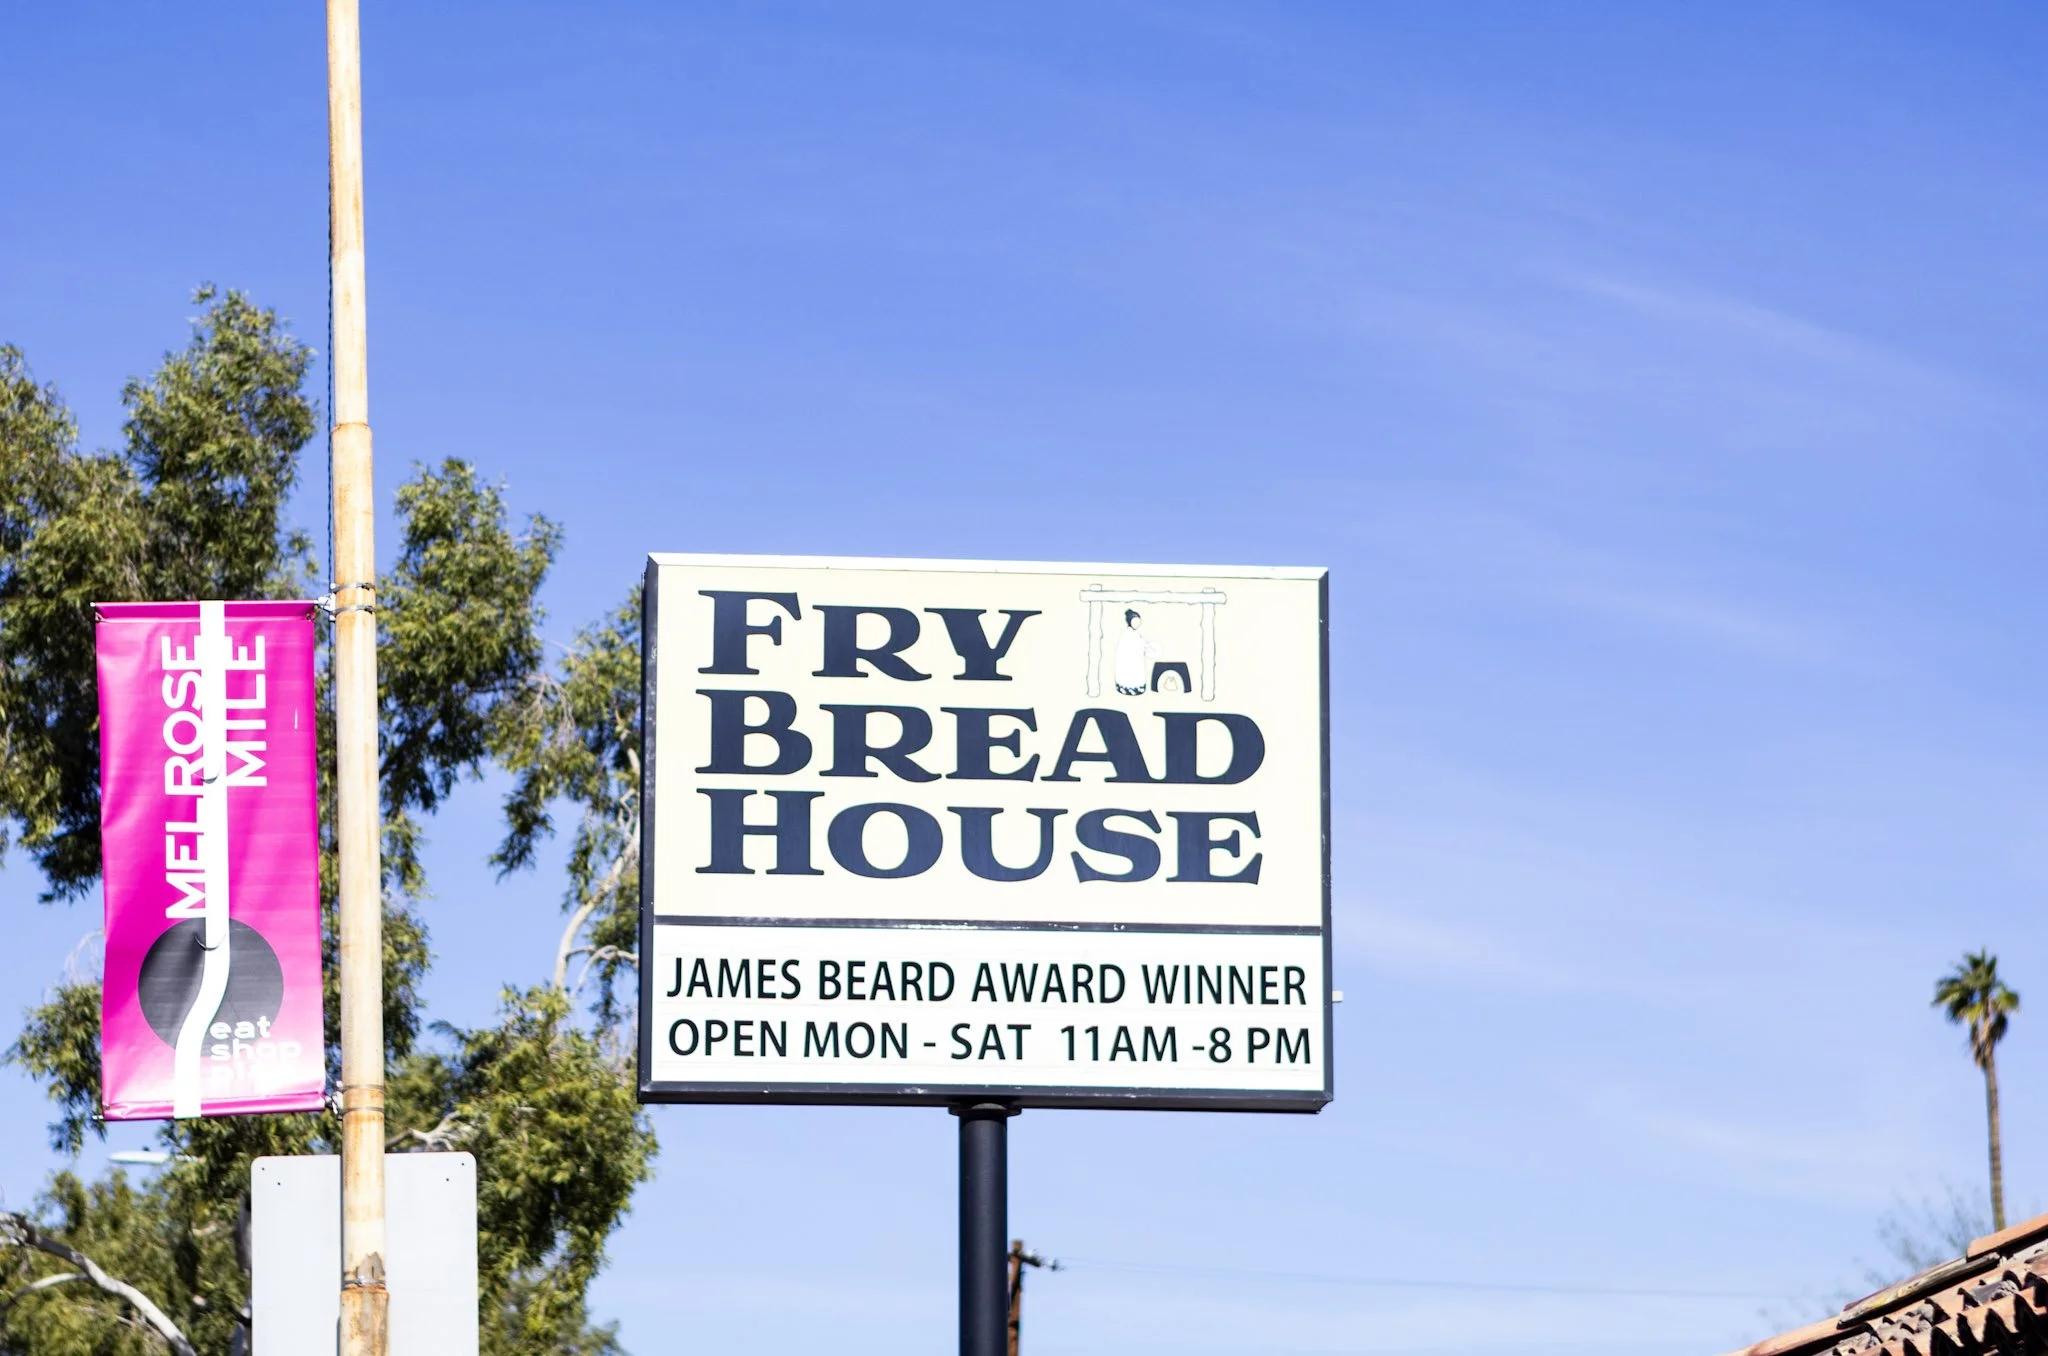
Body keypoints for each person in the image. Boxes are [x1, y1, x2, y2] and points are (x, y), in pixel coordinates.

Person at [1113, 608, 1158, 696]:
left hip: (1136, 660)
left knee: (1136, 675)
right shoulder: (1127, 635)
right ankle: (1127, 688)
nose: (1137, 624)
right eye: (1135, 622)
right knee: (1129, 675)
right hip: (1129, 661)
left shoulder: (1136, 634)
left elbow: (1141, 644)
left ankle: (1136, 688)